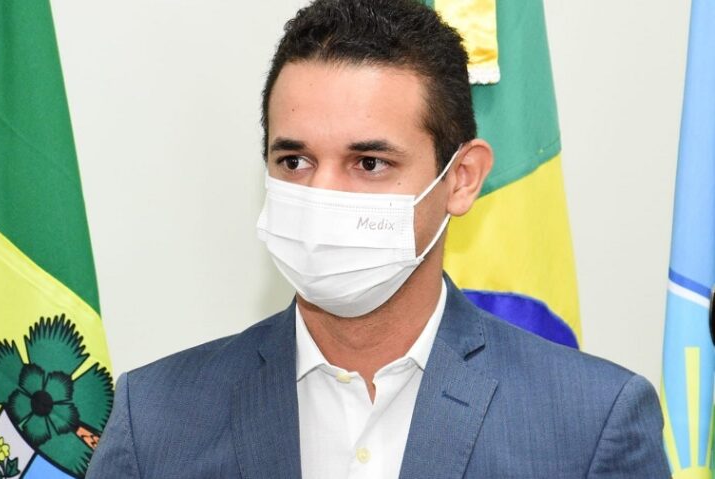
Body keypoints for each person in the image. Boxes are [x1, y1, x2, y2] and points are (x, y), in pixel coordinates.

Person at [86, 1, 670, 477]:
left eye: (368, 163)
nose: (322, 195)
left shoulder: (590, 423)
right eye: (294, 161)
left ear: (461, 179)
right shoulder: (156, 417)